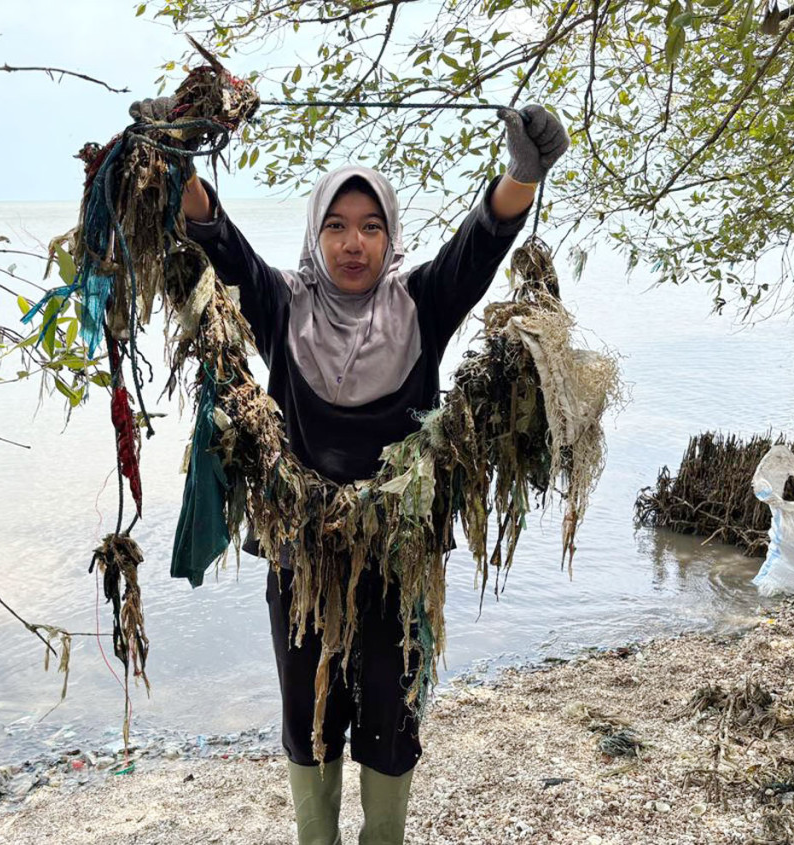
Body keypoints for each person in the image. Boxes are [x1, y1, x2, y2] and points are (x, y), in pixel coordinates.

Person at [129, 97, 568, 844]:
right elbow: (217, 236)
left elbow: (481, 242)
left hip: (400, 561)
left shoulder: (422, 307)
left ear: (391, 236)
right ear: (315, 234)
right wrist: (173, 157)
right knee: (309, 718)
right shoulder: (280, 306)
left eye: (370, 226)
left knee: (394, 720)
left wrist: (523, 173)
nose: (353, 242)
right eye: (336, 225)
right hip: (301, 561)